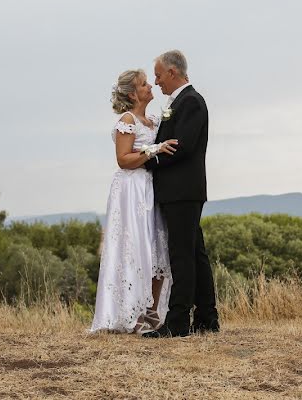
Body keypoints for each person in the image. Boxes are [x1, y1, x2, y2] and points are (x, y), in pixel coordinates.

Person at [90, 69, 178, 334]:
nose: (150, 86)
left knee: (157, 248)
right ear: (132, 93)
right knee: (134, 247)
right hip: (132, 190)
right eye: (143, 84)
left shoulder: (152, 119)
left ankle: (151, 311)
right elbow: (123, 159)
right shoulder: (126, 120)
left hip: (152, 188)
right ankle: (132, 311)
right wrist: (154, 149)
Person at [142, 50, 219, 338]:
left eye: (159, 75)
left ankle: (177, 322)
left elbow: (179, 146)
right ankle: (207, 317)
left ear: (173, 73)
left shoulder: (192, 102)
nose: (156, 81)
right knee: (195, 254)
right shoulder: (181, 102)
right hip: (180, 191)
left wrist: (148, 160)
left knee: (181, 257)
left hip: (182, 191)